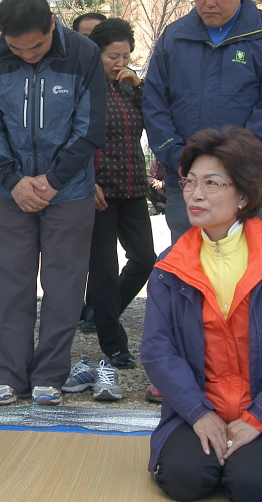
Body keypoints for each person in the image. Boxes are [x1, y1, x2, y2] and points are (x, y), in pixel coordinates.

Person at [142, 127, 262, 502]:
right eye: (190, 182)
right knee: (184, 480)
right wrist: (197, 413)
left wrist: (257, 419)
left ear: (243, 195)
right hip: (201, 406)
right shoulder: (170, 265)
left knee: (254, 486)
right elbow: (158, 350)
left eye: (211, 183)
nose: (195, 194)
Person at [0, 0, 106, 406]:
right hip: (8, 190)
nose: (27, 55)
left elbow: (89, 127)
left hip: (68, 191)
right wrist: (13, 179)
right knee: (10, 283)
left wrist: (53, 180)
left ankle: (50, 373)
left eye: (36, 46)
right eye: (17, 47)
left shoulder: (84, 53)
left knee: (64, 284)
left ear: (53, 24)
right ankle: (10, 375)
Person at [144, 0, 262, 243]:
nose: (209, 2)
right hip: (186, 181)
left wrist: (233, 163)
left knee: (249, 272)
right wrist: (182, 158)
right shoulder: (174, 37)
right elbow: (155, 104)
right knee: (191, 272)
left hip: (246, 182)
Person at [78, 19, 156, 370]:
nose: (120, 62)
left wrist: (139, 86)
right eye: (113, 56)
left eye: (126, 56)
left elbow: (153, 122)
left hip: (133, 186)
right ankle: (114, 343)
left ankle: (99, 313)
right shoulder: (83, 88)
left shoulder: (128, 88)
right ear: (96, 54)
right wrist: (85, 180)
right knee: (104, 271)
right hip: (99, 190)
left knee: (144, 259)